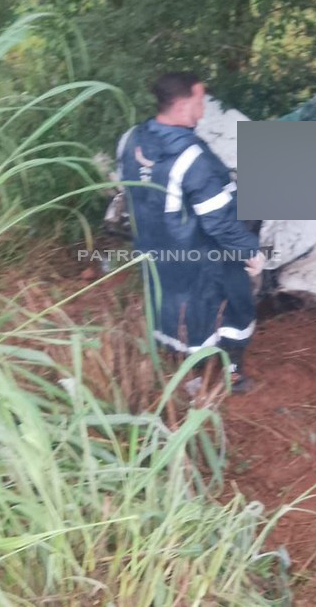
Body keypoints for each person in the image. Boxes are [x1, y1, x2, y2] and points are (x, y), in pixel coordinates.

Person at [119, 71, 264, 392]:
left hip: (154, 252)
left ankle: (191, 376)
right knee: (232, 303)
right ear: (184, 104)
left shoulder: (130, 140)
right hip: (201, 255)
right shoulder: (191, 156)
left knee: (174, 312)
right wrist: (249, 250)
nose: (204, 106)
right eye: (201, 99)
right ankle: (229, 374)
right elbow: (218, 220)